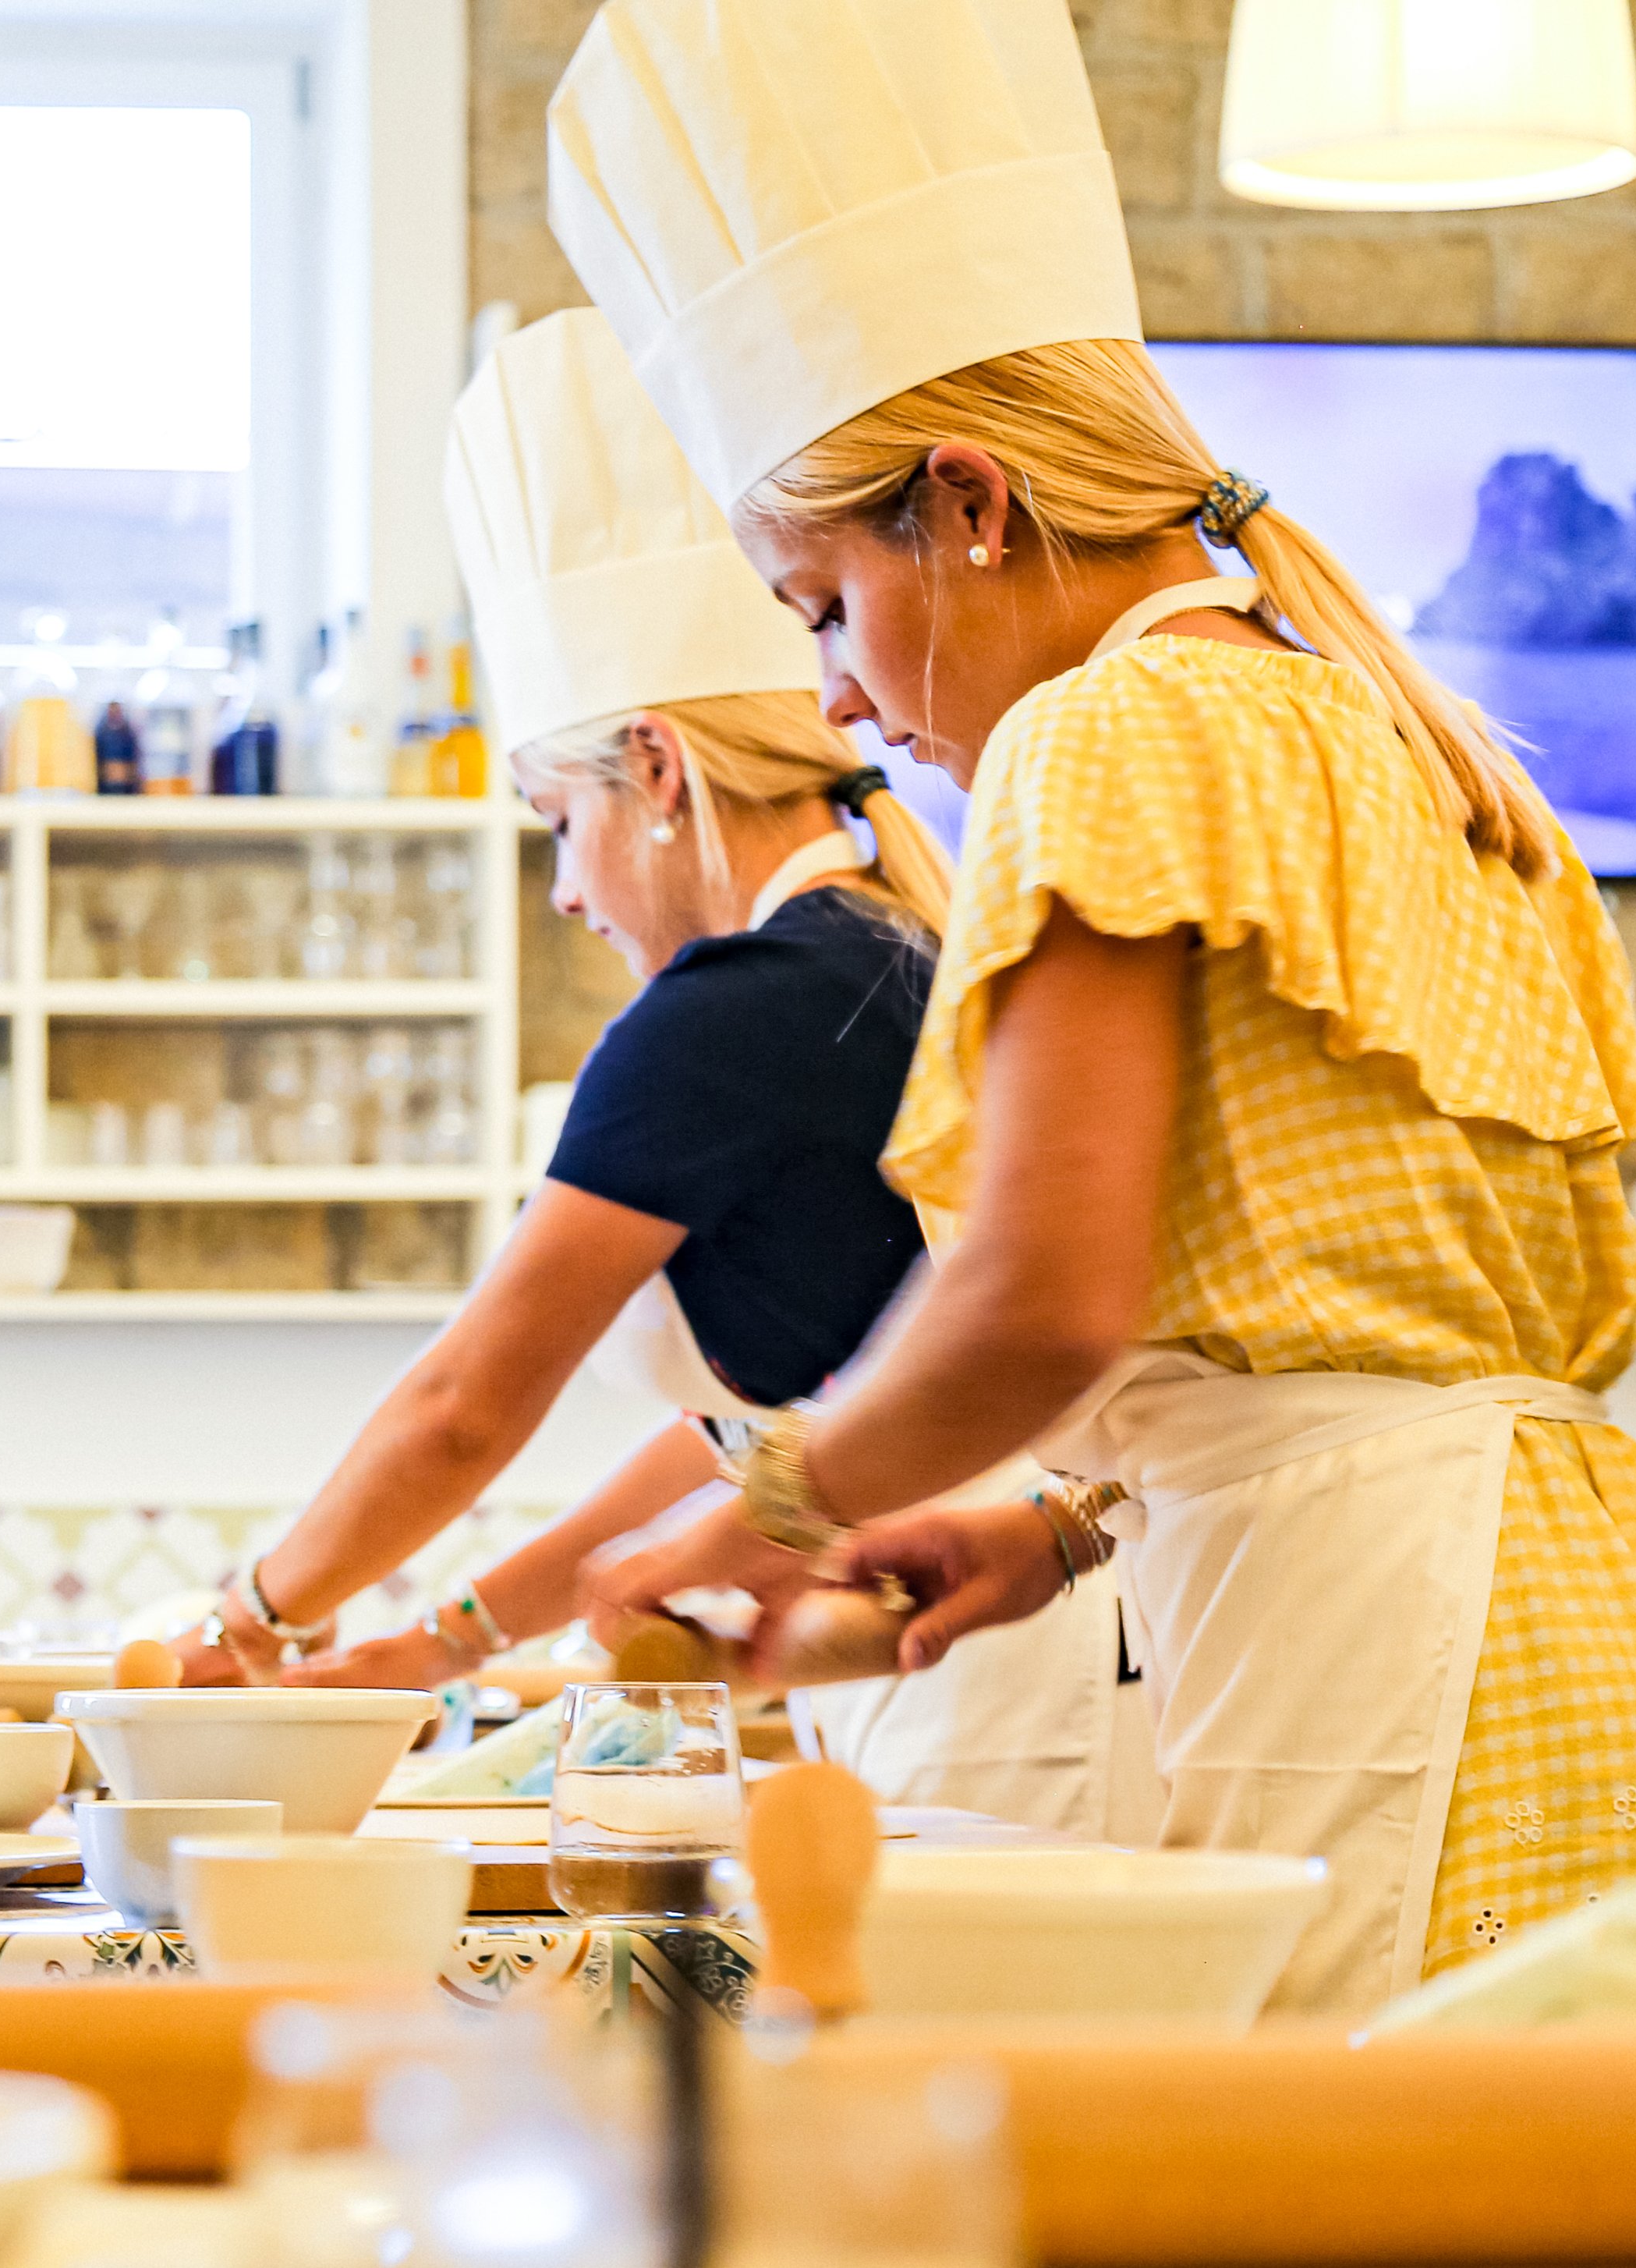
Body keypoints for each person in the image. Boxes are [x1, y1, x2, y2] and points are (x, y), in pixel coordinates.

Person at [547, 0, 1636, 2015]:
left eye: (823, 609)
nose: (837, 699)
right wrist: (1047, 1529)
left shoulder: (1105, 729)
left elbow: (1045, 1290)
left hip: (1396, 1661)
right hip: (1587, 1639)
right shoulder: (1393, 723)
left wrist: (775, 1503)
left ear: (966, 504)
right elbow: (1351, 1300)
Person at [172, 311, 1138, 1840]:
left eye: (560, 824)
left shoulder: (730, 1009)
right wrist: (442, 1642)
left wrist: (248, 1623)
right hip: (991, 1629)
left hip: (971, 1668)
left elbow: (465, 1401)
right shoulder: (871, 948)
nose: (565, 892)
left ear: (659, 770)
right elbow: (735, 1439)